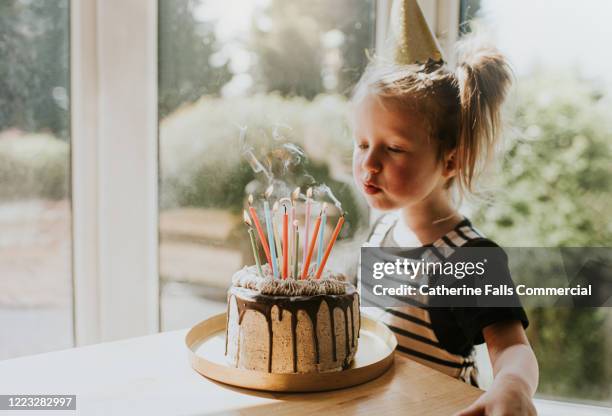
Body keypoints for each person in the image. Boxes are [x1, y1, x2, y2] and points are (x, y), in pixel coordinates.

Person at [350, 31, 539, 416]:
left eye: (394, 148)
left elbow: (513, 348)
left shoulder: (467, 257)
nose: (369, 163)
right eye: (363, 143)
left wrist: (514, 386)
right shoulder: (381, 231)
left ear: (450, 162)